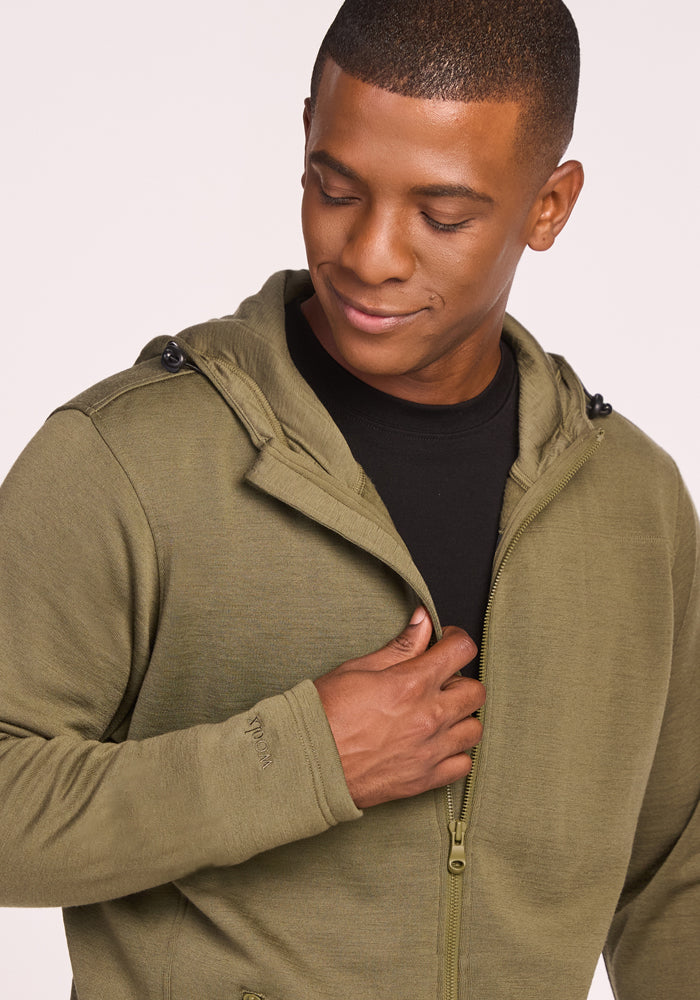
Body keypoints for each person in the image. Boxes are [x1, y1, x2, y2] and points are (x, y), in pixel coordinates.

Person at [0, 1, 698, 998]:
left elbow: (676, 868)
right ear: (305, 140)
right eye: (335, 189)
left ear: (548, 206)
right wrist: (297, 760)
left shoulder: (633, 502)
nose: (370, 254)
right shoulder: (123, 461)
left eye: (442, 216)